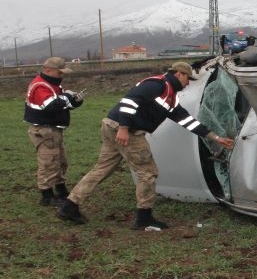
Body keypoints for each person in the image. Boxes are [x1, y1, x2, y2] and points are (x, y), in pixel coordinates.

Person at [57, 62, 235, 230]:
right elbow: (129, 101)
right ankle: (144, 218)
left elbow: (187, 121)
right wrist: (124, 128)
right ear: (179, 74)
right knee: (148, 173)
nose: (188, 83)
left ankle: (69, 206)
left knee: (101, 169)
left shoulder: (170, 97)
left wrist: (215, 137)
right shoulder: (158, 84)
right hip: (127, 131)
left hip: (112, 126)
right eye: (187, 79)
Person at [25, 57, 85, 207]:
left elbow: (61, 105)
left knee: (60, 161)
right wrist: (67, 97)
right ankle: (47, 195)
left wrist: (75, 101)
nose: (62, 76)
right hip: (44, 130)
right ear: (48, 71)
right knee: (48, 162)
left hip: (53, 130)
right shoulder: (40, 86)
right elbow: (51, 105)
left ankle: (61, 190)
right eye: (60, 72)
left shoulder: (52, 85)